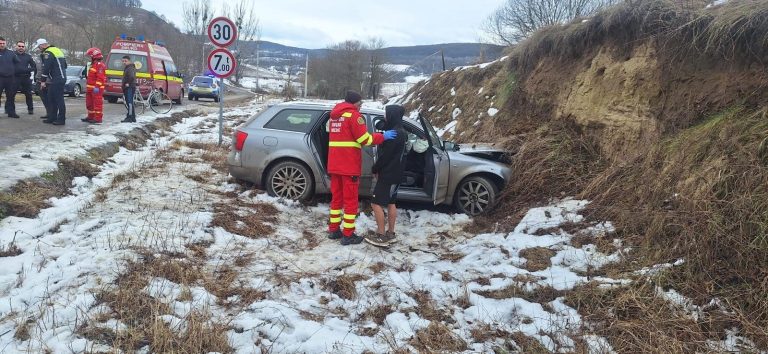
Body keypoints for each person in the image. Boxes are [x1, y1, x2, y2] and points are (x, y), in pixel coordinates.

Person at [327, 90, 398, 245]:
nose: (361, 106)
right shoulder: (354, 116)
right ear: (354, 103)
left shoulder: (335, 116)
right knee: (351, 201)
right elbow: (364, 139)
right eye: (360, 104)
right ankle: (348, 235)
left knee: (336, 199)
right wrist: (382, 136)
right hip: (348, 165)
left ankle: (333, 230)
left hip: (334, 165)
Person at [365, 105, 408, 247]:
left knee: (375, 203)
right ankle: (391, 232)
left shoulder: (393, 134)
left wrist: (375, 168)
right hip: (397, 174)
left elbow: (385, 156)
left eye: (386, 114)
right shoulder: (402, 131)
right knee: (391, 202)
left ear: (392, 115)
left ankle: (381, 235)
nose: (384, 116)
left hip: (388, 174)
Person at [36, 38, 67, 125]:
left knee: (58, 99)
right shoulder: (57, 50)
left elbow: (46, 68)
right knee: (51, 97)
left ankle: (61, 119)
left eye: (39, 47)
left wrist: (43, 81)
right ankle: (52, 117)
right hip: (59, 77)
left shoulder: (48, 52)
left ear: (42, 45)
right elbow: (65, 65)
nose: (39, 49)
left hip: (57, 78)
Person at [82, 47, 106, 124]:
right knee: (89, 104)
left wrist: (97, 87)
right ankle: (91, 117)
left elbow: (100, 78)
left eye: (90, 56)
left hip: (96, 89)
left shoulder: (100, 65)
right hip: (90, 88)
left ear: (94, 56)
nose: (89, 58)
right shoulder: (93, 65)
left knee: (97, 104)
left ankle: (98, 119)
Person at [14, 41, 35, 116]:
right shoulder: (12, 55)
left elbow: (34, 66)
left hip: (26, 78)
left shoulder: (28, 56)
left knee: (29, 94)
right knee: (11, 94)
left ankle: (30, 109)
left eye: (22, 46)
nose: (21, 48)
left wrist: (27, 70)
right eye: (19, 46)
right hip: (15, 77)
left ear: (24, 48)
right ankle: (9, 109)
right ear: (16, 47)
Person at [0, 37, 20, 118]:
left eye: (3, 43)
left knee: (11, 96)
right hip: (0, 78)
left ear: (5, 43)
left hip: (10, 78)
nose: (2, 45)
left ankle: (11, 112)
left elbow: (18, 62)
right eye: (0, 43)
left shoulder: (11, 53)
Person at [121, 55, 136, 123]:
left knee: (129, 102)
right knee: (129, 102)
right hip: (128, 87)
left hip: (129, 87)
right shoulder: (128, 67)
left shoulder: (130, 68)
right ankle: (132, 117)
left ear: (129, 61)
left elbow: (131, 77)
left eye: (125, 61)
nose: (124, 62)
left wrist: (128, 83)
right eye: (123, 61)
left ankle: (130, 117)